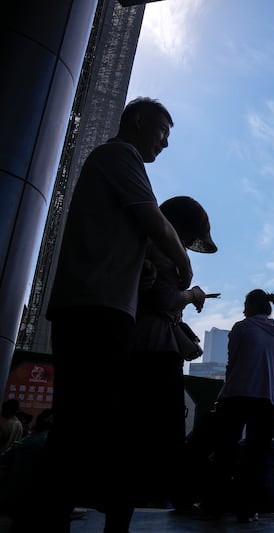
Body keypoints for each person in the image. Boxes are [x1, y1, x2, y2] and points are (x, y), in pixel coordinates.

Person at [26, 97, 191, 533]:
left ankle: (55, 513)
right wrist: (181, 263)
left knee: (81, 419)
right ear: (137, 122)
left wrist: (145, 264)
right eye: (162, 131)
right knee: (100, 420)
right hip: (98, 310)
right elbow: (154, 221)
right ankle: (72, 516)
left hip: (93, 305)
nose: (165, 143)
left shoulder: (112, 163)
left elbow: (117, 231)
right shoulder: (120, 155)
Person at [128, 195, 217, 509]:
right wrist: (191, 294)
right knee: (162, 428)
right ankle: (155, 497)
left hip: (139, 343)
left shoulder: (145, 245)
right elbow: (166, 301)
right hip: (155, 347)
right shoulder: (163, 251)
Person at [207, 289, 274, 523]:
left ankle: (217, 504)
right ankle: (247, 508)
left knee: (225, 453)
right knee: (256, 457)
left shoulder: (241, 328)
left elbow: (233, 364)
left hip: (236, 395)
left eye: (245, 305)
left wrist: (223, 393)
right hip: (265, 398)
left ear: (251, 306)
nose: (242, 310)